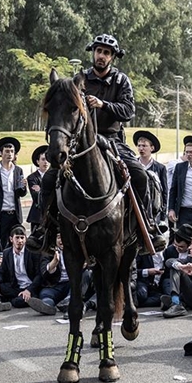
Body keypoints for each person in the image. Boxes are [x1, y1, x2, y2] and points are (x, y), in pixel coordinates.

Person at [32, 34, 154, 254]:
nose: (101, 56)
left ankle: (147, 226)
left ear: (112, 57)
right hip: (82, 142)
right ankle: (44, 231)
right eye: (99, 51)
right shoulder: (79, 80)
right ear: (93, 53)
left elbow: (128, 111)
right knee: (50, 177)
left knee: (140, 175)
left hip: (112, 139)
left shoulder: (121, 81)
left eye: (106, 53)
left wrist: (103, 104)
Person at [0, 227, 43, 308]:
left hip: (30, 287)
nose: (20, 241)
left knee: (19, 302)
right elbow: (1, 271)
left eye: (22, 238)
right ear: (11, 239)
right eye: (17, 238)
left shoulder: (32, 252)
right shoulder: (7, 253)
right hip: (15, 286)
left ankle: (8, 302)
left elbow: (39, 275)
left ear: (25, 239)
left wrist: (29, 290)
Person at [0, 137, 28, 255]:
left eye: (12, 151)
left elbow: (21, 193)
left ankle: (14, 267)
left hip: (14, 213)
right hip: (0, 213)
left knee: (16, 243)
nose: (10, 154)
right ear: (1, 153)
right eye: (7, 151)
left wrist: (24, 187)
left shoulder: (18, 170)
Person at [28, 233, 72, 315]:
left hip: (71, 284)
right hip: (55, 285)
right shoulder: (48, 252)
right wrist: (54, 262)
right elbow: (44, 272)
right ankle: (47, 306)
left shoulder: (75, 251)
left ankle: (68, 302)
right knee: (45, 293)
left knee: (78, 286)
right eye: (59, 238)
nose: (62, 241)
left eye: (64, 237)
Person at [133, 131, 168, 230]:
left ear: (152, 148)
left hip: (153, 211)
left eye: (144, 146)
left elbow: (164, 192)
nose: (141, 148)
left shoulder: (160, 168)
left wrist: (162, 217)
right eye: (139, 146)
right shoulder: (133, 165)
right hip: (135, 208)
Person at [26, 145, 49, 233]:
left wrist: (41, 190)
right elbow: (36, 197)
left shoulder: (55, 176)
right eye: (43, 159)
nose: (45, 162)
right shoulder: (32, 177)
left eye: (47, 159)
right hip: (37, 216)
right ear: (37, 161)